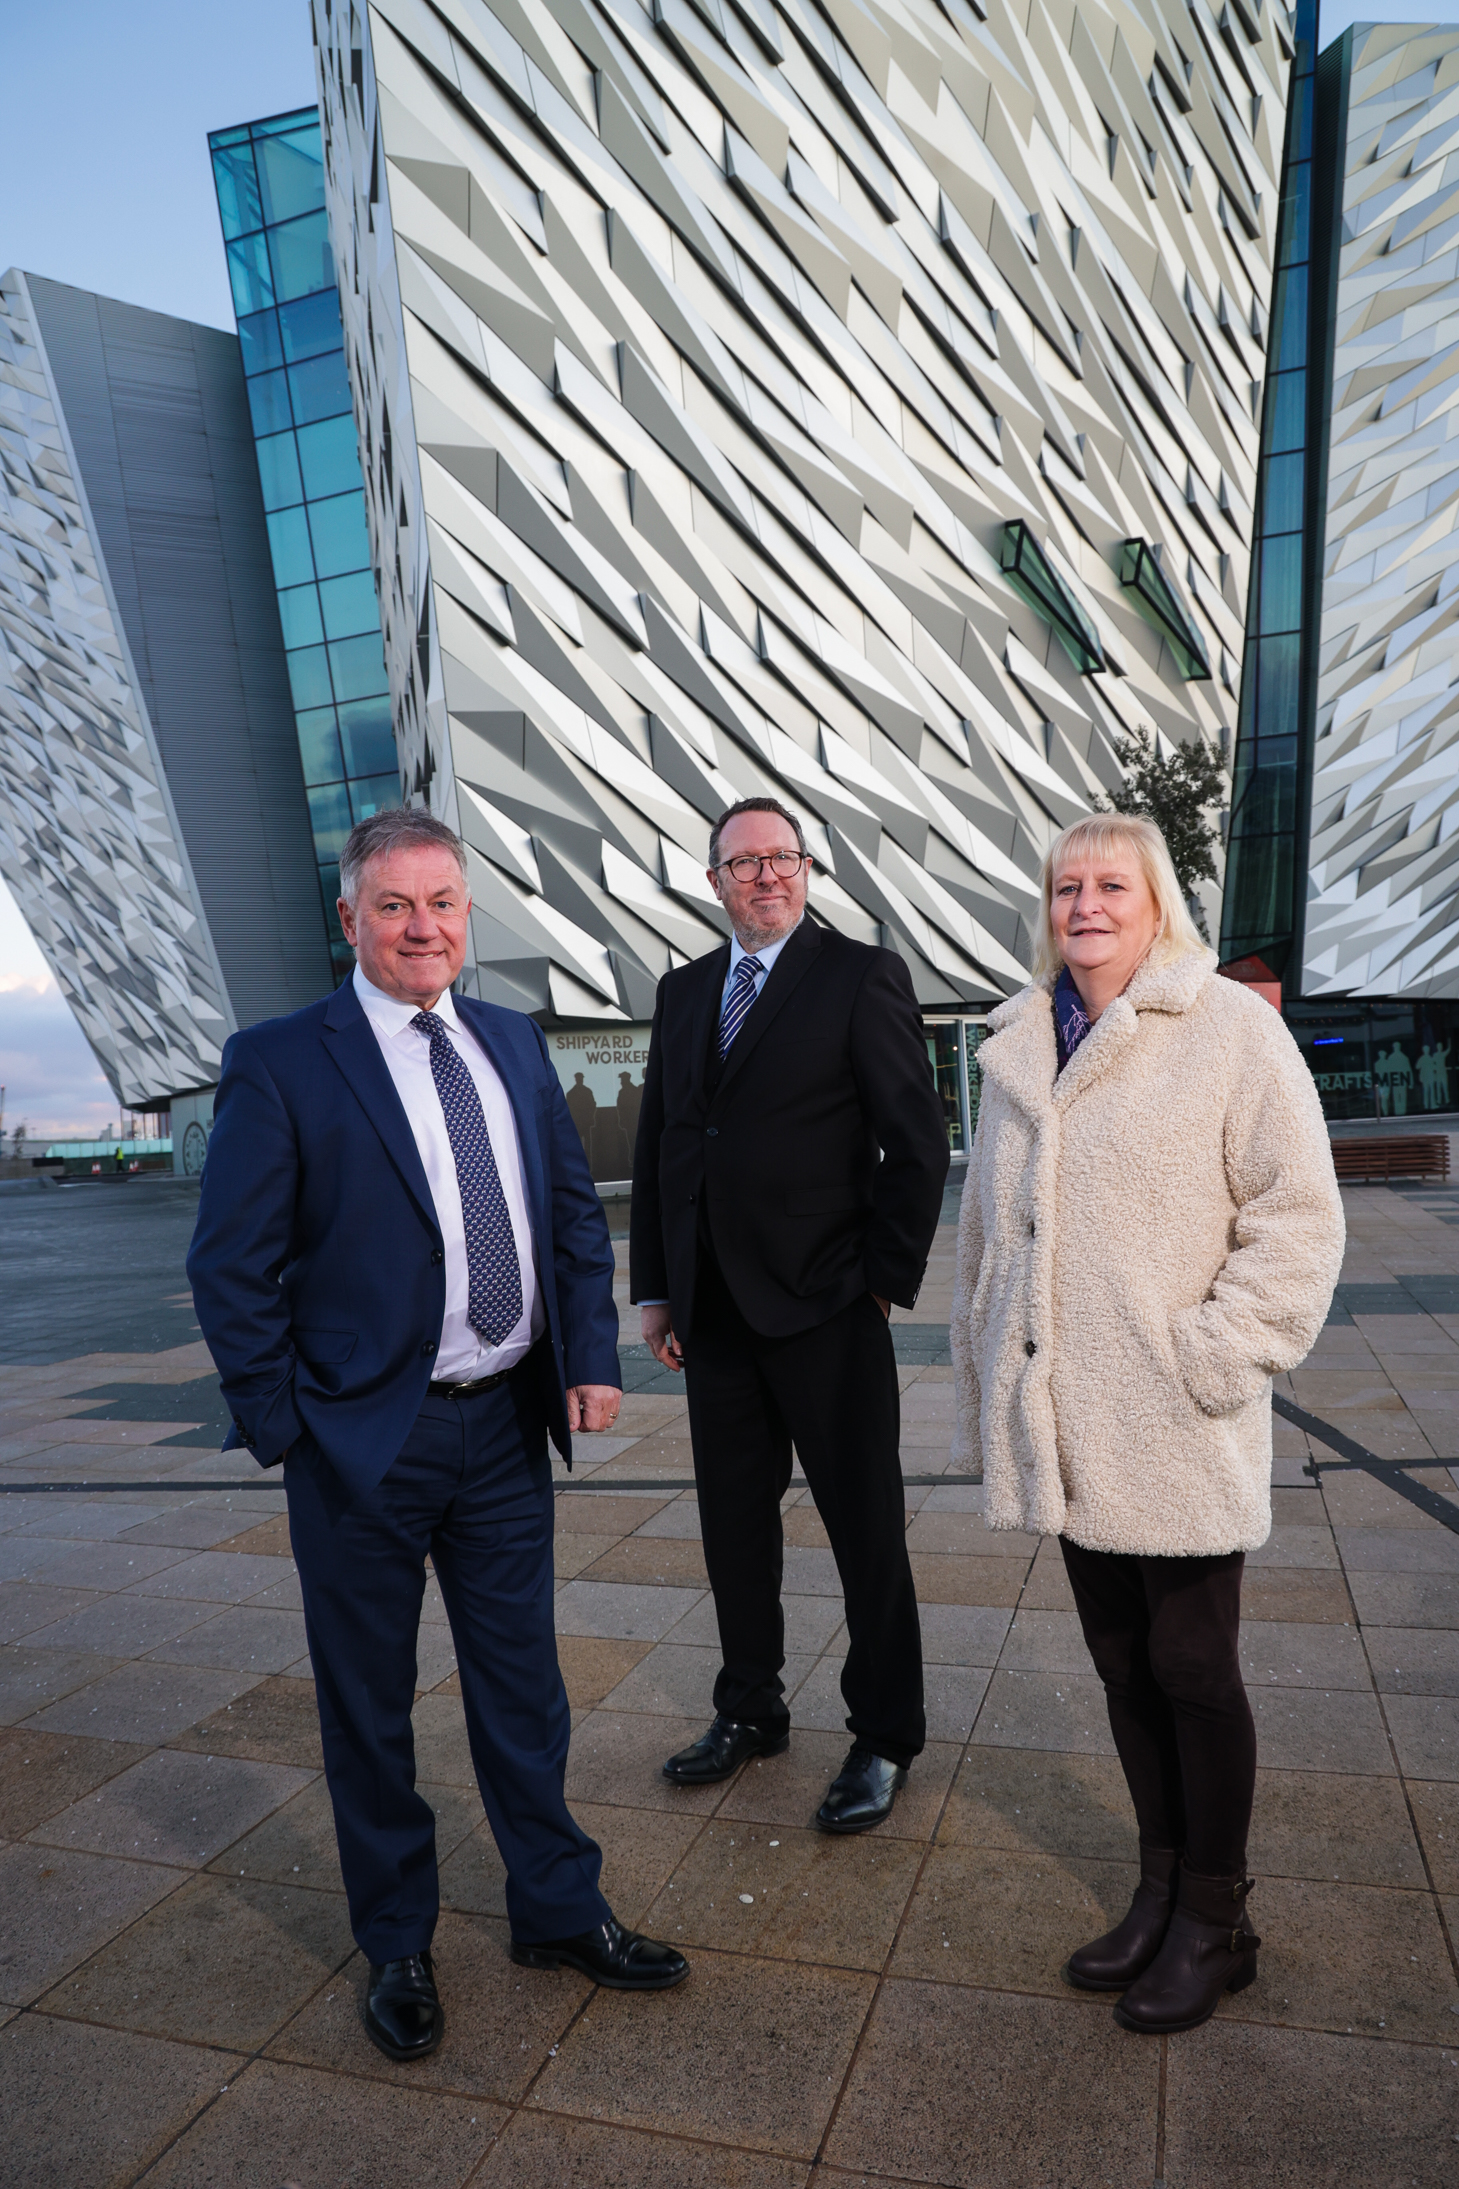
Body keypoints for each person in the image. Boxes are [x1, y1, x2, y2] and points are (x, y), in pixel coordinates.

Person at [188, 807, 687, 2065]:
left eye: (445, 903)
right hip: (362, 1443)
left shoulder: (513, 1040)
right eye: (397, 906)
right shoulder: (282, 1059)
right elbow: (230, 1267)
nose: (425, 927)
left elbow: (570, 1215)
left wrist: (586, 1358)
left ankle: (557, 1908)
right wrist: (287, 1424)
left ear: (470, 913)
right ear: (349, 919)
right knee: (369, 1706)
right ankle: (399, 1937)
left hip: (506, 1427)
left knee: (525, 1686)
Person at [951, 811, 1344, 2034]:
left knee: (1189, 1663)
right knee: (1122, 1663)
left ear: (1154, 898)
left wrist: (1217, 1354)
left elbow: (1297, 1215)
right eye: (1066, 886)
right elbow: (985, 1234)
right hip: (1063, 1413)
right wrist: (984, 1366)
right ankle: (1160, 1886)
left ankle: (1219, 1922)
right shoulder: (1017, 1041)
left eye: (1109, 884)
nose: (1084, 905)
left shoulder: (1229, 1028)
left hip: (1173, 1412)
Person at [631, 796, 949, 1832]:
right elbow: (662, 1144)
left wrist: (879, 1278)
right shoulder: (682, 991)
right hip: (714, 1310)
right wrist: (658, 1285)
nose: (764, 875)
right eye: (742, 862)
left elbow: (916, 1141)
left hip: (824, 1302)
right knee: (733, 1527)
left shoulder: (859, 974)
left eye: (782, 857)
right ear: (713, 880)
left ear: (806, 870)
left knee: (863, 1526)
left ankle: (885, 1731)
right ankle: (750, 1707)